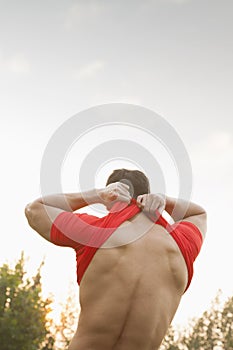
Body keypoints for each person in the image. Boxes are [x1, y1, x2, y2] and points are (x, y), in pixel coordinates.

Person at [25, 168, 207, 350]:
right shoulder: (181, 245)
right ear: (146, 195)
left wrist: (96, 195)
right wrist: (164, 200)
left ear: (110, 200)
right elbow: (198, 214)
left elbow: (35, 210)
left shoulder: (95, 231)